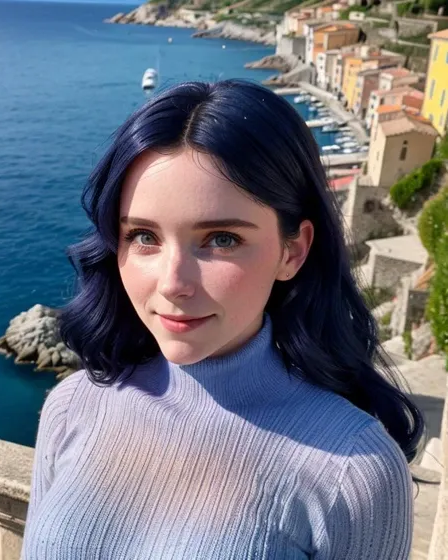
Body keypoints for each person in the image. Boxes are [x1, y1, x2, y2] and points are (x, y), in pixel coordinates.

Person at [21, 79, 425, 559]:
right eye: (144, 237)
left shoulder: (353, 471)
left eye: (222, 239)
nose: (172, 283)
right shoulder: (73, 407)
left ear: (292, 251)